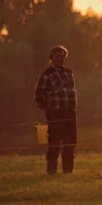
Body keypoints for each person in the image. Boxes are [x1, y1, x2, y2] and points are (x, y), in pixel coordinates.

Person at [34, 45, 78, 175]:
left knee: (70, 143)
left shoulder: (68, 73)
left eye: (62, 57)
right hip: (55, 113)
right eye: (57, 57)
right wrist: (48, 110)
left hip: (70, 112)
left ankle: (68, 171)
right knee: (54, 144)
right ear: (51, 58)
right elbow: (38, 95)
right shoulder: (46, 74)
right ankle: (51, 171)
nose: (59, 59)